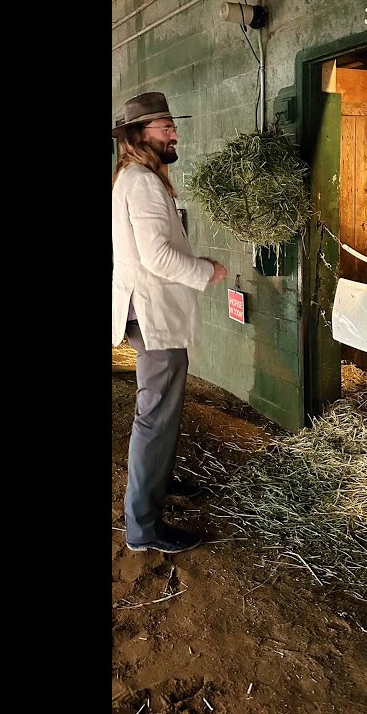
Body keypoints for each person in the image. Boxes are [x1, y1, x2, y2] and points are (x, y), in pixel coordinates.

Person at [112, 92, 228, 554]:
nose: (174, 133)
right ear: (141, 135)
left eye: (171, 126)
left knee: (160, 411)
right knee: (156, 416)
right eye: (165, 127)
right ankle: (143, 527)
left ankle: (157, 481)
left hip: (148, 310)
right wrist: (205, 271)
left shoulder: (134, 177)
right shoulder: (141, 182)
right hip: (153, 313)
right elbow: (157, 256)